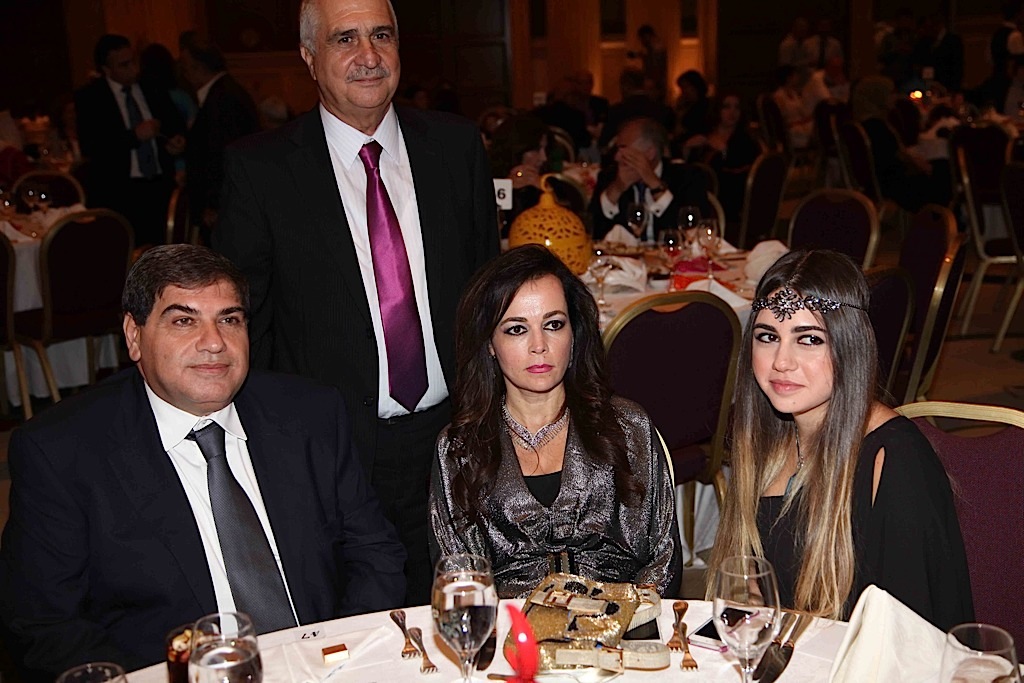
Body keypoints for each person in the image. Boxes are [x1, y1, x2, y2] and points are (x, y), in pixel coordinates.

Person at [0, 245, 406, 678]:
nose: (214, 342)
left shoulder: (309, 414)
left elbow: (375, 552)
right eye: (184, 320)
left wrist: (343, 658)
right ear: (134, 336)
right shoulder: (61, 453)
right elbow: (44, 624)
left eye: (229, 320)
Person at [213, 0, 499, 605]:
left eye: (381, 35)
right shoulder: (261, 169)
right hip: (332, 449)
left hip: (454, 437)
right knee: (357, 626)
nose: (368, 56)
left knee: (460, 613)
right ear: (308, 57)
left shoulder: (454, 146)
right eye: (345, 39)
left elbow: (487, 289)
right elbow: (245, 323)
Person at [708, 249, 974, 630]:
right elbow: (755, 595)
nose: (781, 361)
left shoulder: (896, 462)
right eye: (767, 336)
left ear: (849, 345)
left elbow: (912, 638)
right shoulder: (767, 441)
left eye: (809, 339)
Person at [428, 245, 681, 599]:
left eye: (553, 324)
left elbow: (664, 558)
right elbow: (459, 580)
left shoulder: (627, 426)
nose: (539, 345)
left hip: (621, 622)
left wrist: (626, 617)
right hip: (511, 627)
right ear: (489, 343)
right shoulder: (460, 448)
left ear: (574, 333)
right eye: (517, 329)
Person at [75, 34, 185, 246]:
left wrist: (176, 141)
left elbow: (174, 123)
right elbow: (92, 146)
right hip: (119, 191)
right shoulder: (91, 97)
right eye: (124, 65)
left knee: (164, 251)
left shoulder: (151, 86)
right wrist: (134, 136)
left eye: (134, 61)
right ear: (107, 70)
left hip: (159, 185)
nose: (133, 68)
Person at [179, 33, 259, 242]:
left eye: (185, 66)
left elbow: (223, 154)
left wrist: (213, 204)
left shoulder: (222, 100)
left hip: (226, 207)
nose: (183, 73)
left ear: (197, 67)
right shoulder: (226, 92)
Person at [589, 117, 710, 241]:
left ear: (650, 153)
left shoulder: (687, 177)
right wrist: (617, 189)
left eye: (623, 148)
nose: (617, 157)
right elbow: (592, 231)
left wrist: (655, 185)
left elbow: (693, 232)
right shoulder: (609, 177)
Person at [852, 75, 949, 211]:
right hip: (894, 187)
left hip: (885, 182)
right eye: (890, 94)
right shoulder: (875, 127)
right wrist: (920, 165)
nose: (895, 97)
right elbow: (893, 161)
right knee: (945, 172)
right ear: (878, 96)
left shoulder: (863, 124)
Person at [682, 93, 762, 226]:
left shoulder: (745, 140)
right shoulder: (705, 134)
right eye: (727, 107)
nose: (732, 112)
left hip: (729, 197)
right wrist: (687, 149)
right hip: (699, 192)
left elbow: (737, 175)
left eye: (737, 108)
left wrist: (724, 151)